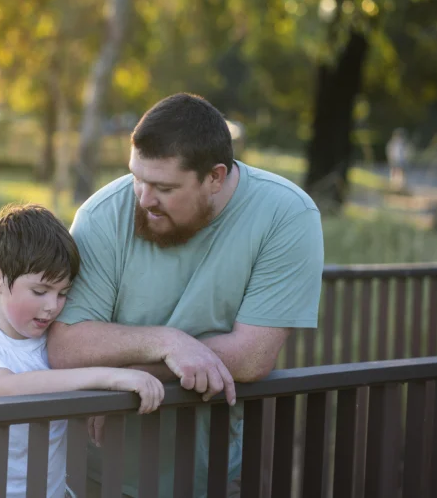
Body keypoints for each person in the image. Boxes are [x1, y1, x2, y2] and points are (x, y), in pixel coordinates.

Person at [48, 93, 324, 497]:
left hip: (215, 471)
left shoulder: (287, 215)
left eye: (163, 187)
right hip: (98, 473)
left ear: (214, 177)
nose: (142, 199)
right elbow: (66, 347)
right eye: (137, 178)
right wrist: (166, 343)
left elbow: (251, 356)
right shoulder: (103, 214)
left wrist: (130, 373)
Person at [0, 204, 165, 498]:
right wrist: (109, 377)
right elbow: (3, 387)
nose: (52, 306)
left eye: (63, 293)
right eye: (40, 291)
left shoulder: (53, 340)